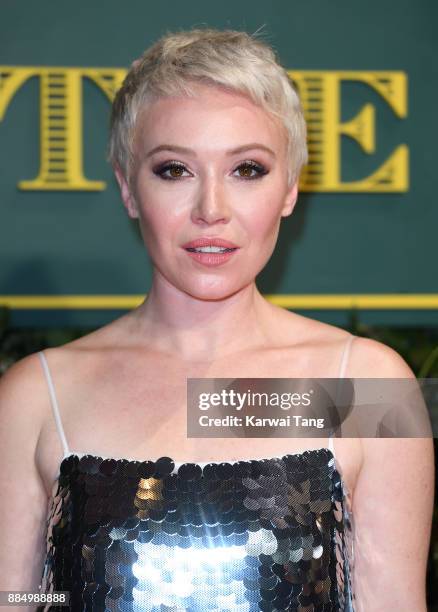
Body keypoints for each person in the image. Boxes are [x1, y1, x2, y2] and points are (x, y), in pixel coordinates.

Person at [0, 27, 433, 612]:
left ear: (290, 186)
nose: (211, 211)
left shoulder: (368, 387)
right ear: (128, 187)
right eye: (174, 169)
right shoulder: (35, 395)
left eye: (247, 169)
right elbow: (18, 597)